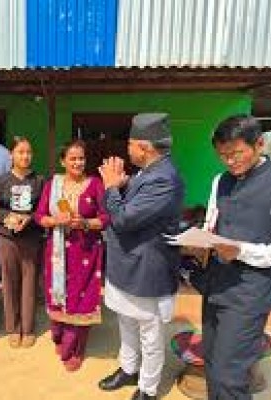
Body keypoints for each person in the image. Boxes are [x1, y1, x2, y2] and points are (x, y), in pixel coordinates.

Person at [195, 116, 271, 400]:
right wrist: (201, 241)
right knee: (211, 363)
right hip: (216, 283)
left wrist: (244, 251)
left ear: (259, 144)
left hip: (250, 293)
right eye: (222, 155)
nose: (229, 161)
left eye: (236, 153)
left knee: (229, 376)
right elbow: (213, 221)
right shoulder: (220, 181)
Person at [98, 113, 184, 400]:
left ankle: (147, 387)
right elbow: (128, 209)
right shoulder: (146, 172)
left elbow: (123, 219)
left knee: (150, 332)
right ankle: (128, 368)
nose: (128, 149)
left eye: (130, 144)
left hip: (147, 268)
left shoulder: (164, 179)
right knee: (126, 321)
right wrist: (122, 187)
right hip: (128, 263)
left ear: (144, 147)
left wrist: (112, 187)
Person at [34, 140, 109, 372]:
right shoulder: (53, 185)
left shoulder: (95, 184)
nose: (78, 162)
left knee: (81, 297)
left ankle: (76, 347)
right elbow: (39, 216)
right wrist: (56, 220)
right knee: (58, 294)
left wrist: (85, 223)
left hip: (86, 251)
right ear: (63, 161)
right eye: (73, 158)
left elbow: (106, 218)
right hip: (57, 252)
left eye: (81, 158)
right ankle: (60, 332)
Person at [0, 137, 44, 348]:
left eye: (29, 152)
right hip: (7, 238)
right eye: (21, 152)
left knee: (30, 281)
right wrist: (8, 217)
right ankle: (13, 327)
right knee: (9, 281)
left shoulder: (39, 181)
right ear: (11, 155)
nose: (25, 156)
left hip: (31, 238)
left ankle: (28, 327)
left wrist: (29, 218)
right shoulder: (2, 180)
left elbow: (43, 209)